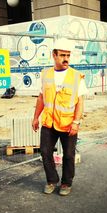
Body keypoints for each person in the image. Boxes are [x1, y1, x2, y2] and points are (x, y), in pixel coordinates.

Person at [32, 38, 87, 196]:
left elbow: (80, 102)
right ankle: (51, 180)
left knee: (69, 155)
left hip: (68, 123)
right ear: (54, 55)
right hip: (49, 122)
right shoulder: (45, 74)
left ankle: (66, 183)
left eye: (68, 55)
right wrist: (36, 117)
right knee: (45, 151)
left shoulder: (77, 76)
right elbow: (41, 98)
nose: (66, 59)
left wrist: (76, 122)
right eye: (62, 55)